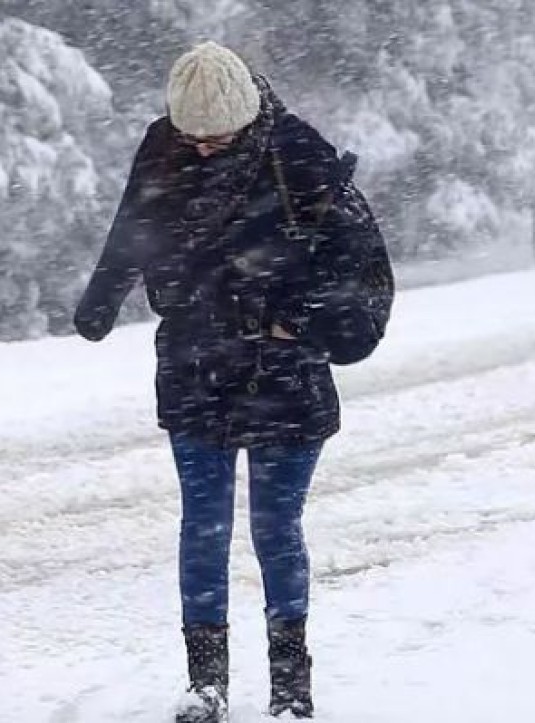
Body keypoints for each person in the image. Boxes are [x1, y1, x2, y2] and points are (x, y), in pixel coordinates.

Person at [74, 42, 393, 722]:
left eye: (218, 138)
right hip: (195, 366)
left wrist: (298, 323)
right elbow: (132, 224)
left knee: (276, 527)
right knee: (204, 527)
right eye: (195, 138)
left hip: (286, 379)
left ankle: (290, 686)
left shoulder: (299, 156)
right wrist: (102, 299)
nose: (206, 149)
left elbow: (362, 272)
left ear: (247, 119)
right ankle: (205, 684)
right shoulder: (164, 145)